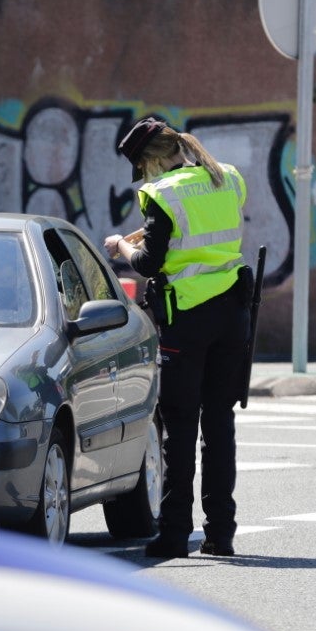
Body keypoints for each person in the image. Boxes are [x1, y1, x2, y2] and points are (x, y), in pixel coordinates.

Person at [104, 117, 251, 558]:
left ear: (150, 162)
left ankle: (172, 536)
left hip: (186, 317)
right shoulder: (226, 177)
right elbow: (201, 236)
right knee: (219, 424)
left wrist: (120, 247)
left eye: (142, 169)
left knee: (181, 426)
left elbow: (149, 264)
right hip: (232, 314)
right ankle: (221, 534)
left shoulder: (161, 194)